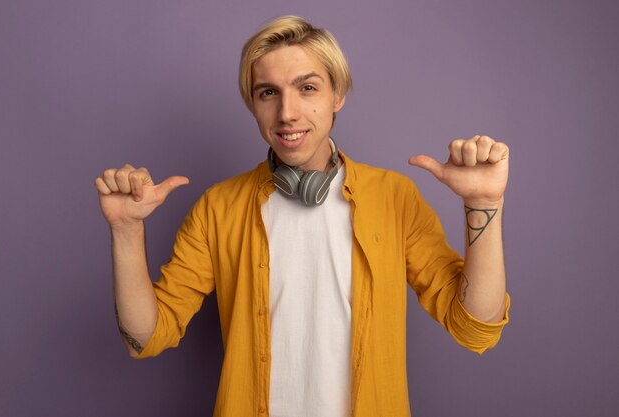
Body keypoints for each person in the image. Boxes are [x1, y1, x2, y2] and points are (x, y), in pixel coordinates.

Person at [94, 15, 510, 417]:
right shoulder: (218, 208)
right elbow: (144, 338)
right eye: (268, 93)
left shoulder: (394, 198)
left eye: (307, 88)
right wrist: (126, 230)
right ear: (253, 105)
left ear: (337, 94)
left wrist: (484, 205)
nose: (287, 113)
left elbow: (475, 327)